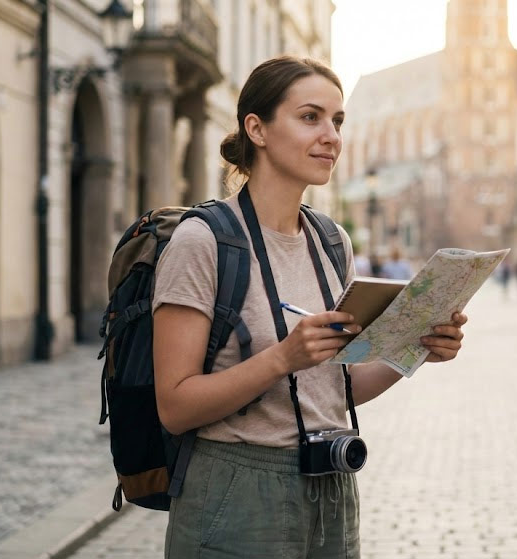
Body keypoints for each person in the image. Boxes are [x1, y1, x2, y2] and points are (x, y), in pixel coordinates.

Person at [151, 56, 469, 558]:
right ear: (256, 128)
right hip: (237, 494)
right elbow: (174, 406)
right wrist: (283, 357)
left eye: (337, 121)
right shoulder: (203, 240)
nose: (331, 136)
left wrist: (417, 346)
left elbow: (337, 390)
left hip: (333, 488)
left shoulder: (330, 242)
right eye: (310, 117)